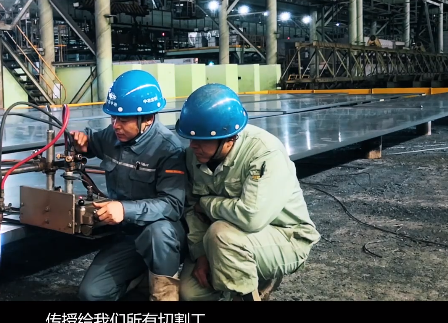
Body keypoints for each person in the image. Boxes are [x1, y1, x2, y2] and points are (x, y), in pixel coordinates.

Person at [174, 83, 320, 301]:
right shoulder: (193, 156)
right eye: (191, 138)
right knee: (191, 292)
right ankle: (245, 276)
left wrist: (206, 204)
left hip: (285, 235)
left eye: (202, 140)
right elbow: (191, 210)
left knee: (220, 234)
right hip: (226, 241)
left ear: (229, 138)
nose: (193, 145)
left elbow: (252, 217)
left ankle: (251, 287)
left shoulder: (264, 152)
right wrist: (201, 254)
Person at [70, 70, 189, 301]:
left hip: (164, 236)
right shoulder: (113, 136)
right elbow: (93, 143)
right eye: (113, 118)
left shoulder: (168, 149)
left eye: (123, 120)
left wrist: (125, 209)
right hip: (128, 236)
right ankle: (141, 278)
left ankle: (165, 293)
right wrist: (82, 143)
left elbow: (173, 205)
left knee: (157, 233)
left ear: (147, 119)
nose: (115, 125)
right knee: (91, 294)